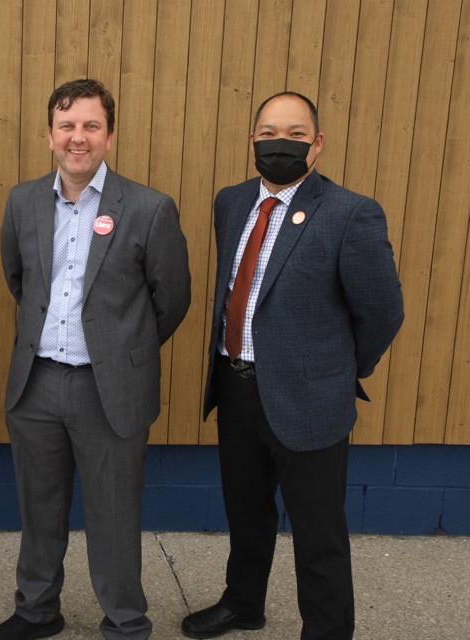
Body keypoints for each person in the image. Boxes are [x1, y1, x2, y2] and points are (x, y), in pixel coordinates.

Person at [182, 92, 404, 640]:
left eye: (296, 134)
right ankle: (243, 604)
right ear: (252, 140)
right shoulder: (231, 202)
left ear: (318, 143)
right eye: (268, 132)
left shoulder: (351, 213)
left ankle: (327, 631)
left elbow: (382, 311)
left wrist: (338, 370)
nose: (280, 143)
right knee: (247, 515)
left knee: (318, 532)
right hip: (237, 387)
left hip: (311, 401)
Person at [0, 78, 191, 640]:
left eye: (90, 126)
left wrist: (121, 352)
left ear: (109, 134)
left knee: (115, 516)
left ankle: (126, 622)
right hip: (36, 384)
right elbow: (19, 279)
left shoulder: (149, 208)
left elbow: (170, 299)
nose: (78, 138)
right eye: (67, 126)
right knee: (39, 510)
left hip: (110, 391)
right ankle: (36, 610)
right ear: (50, 134)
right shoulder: (24, 201)